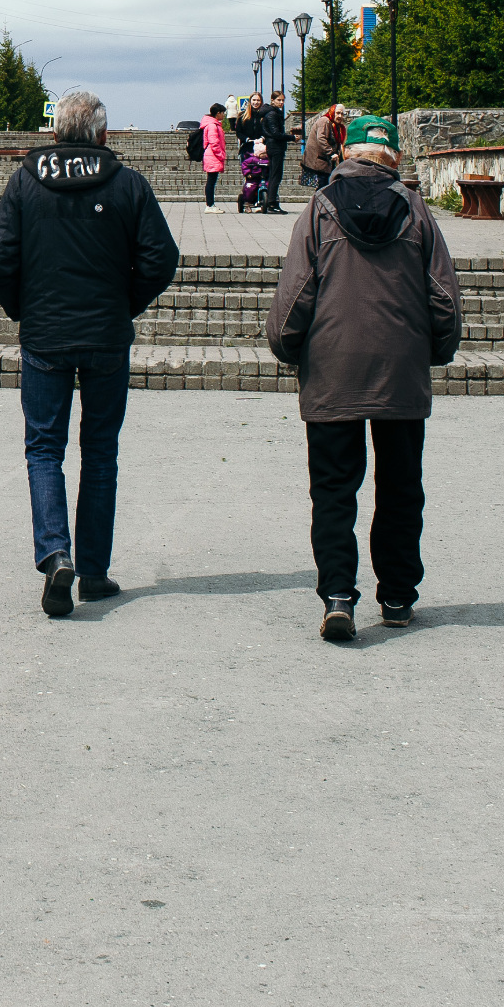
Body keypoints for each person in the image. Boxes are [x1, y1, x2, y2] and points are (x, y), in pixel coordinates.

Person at [263, 112, 463, 643]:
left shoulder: (319, 209)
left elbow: (295, 294)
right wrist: (435, 351)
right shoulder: (417, 211)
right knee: (400, 487)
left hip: (332, 369)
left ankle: (337, 596)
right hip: (400, 371)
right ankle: (396, 596)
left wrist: (287, 347)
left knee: (332, 488)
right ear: (393, 158)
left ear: (346, 153)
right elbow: (443, 297)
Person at [0, 90, 182, 620]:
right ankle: (92, 572)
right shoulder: (128, 184)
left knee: (44, 449)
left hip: (46, 336)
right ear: (103, 136)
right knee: (99, 452)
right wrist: (125, 304)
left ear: (54, 135)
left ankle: (55, 554)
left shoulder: (26, 180)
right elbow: (162, 260)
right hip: (106, 337)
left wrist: (24, 308)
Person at [300, 102, 348, 189]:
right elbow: (321, 138)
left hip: (326, 161)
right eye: (338, 113)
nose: (340, 116)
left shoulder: (337, 126)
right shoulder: (325, 121)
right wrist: (330, 153)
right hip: (319, 160)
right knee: (323, 186)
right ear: (332, 112)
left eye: (342, 114)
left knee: (325, 185)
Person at [198, 102, 228, 205]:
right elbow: (214, 142)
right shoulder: (212, 125)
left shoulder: (213, 124)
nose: (224, 115)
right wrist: (221, 155)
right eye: (223, 113)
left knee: (211, 181)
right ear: (218, 113)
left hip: (212, 156)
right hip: (213, 156)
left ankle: (211, 204)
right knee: (211, 181)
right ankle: (210, 204)